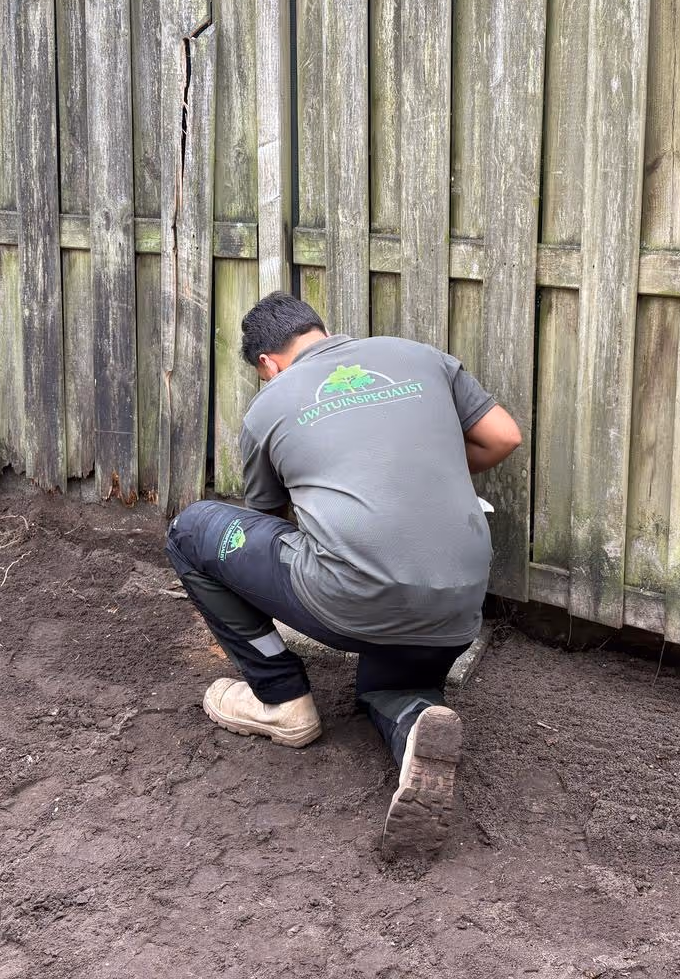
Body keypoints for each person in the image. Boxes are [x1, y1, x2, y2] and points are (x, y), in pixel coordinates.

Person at [165, 291, 522, 853]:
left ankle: (280, 698)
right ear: (320, 331)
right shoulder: (419, 356)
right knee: (392, 686)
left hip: (353, 601)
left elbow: (266, 522)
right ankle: (415, 723)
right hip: (456, 611)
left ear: (267, 363)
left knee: (192, 530)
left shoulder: (271, 403)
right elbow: (503, 437)